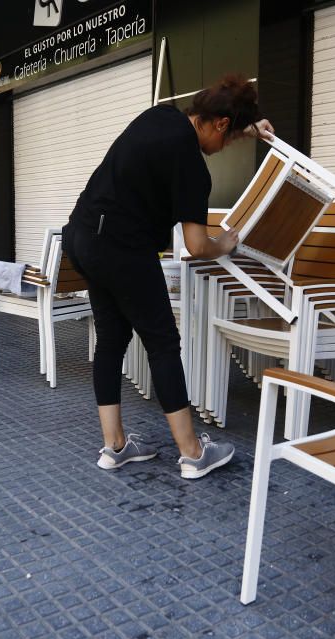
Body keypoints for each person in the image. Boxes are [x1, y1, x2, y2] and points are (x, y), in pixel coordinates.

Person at [62, 74, 274, 479]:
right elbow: (197, 245)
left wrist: (249, 127)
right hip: (122, 246)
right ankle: (193, 453)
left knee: (111, 337)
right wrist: (225, 242)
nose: (221, 149)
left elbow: (218, 121)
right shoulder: (191, 166)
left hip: (81, 236)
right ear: (220, 124)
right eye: (228, 140)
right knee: (162, 342)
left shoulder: (159, 116)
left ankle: (116, 446)